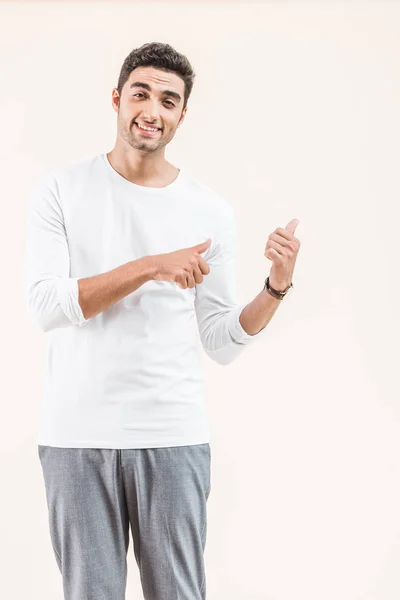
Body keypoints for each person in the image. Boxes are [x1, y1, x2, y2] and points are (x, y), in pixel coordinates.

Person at [24, 41, 300, 600]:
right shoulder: (61, 190)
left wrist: (276, 285)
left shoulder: (210, 210)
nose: (153, 109)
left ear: (182, 114)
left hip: (172, 437)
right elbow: (47, 306)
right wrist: (151, 266)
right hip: (76, 437)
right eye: (141, 93)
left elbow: (221, 340)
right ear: (117, 99)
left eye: (168, 100)